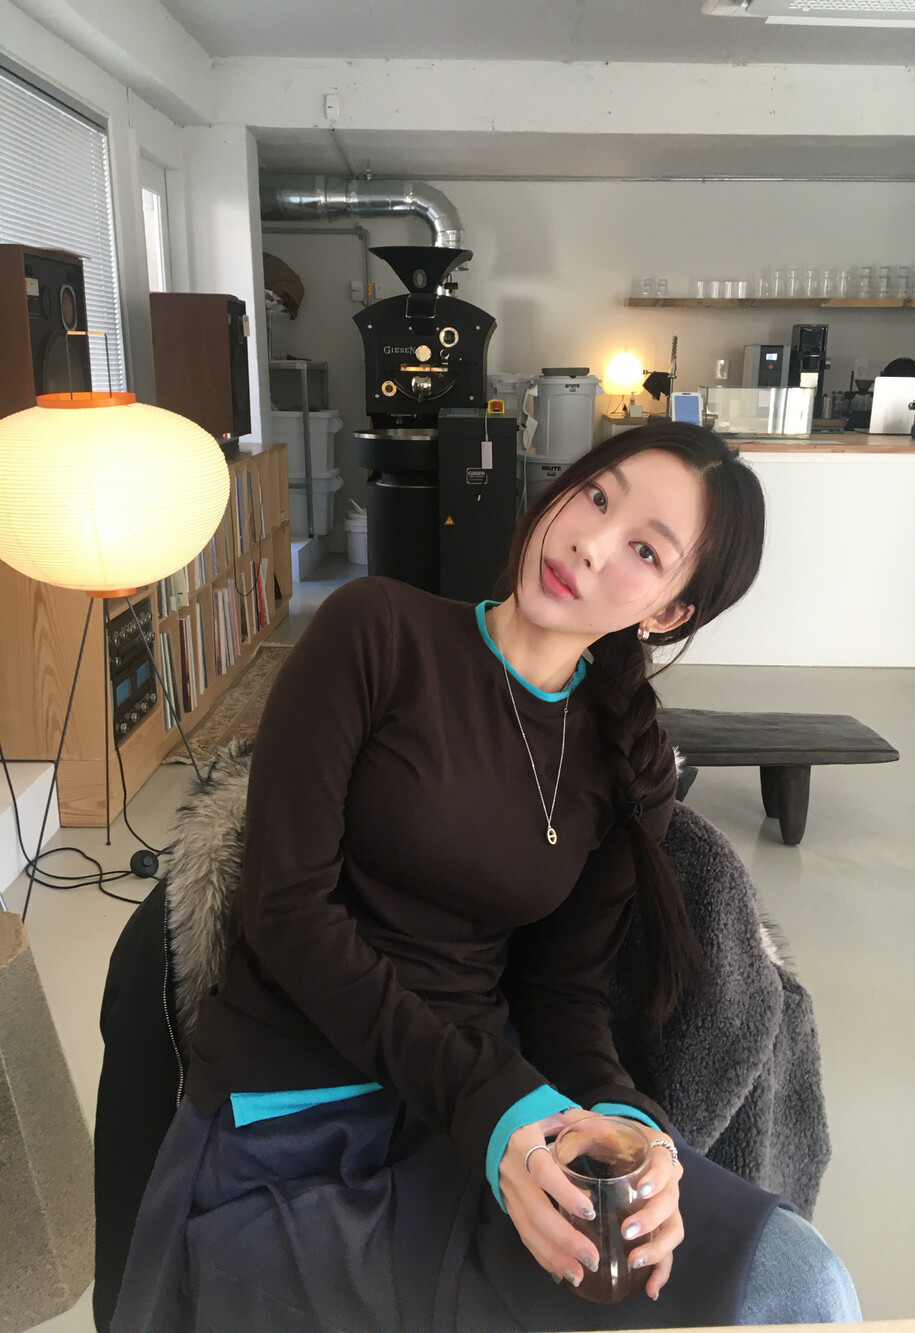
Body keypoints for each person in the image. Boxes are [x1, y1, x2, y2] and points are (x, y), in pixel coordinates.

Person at [112, 421, 861, 1331]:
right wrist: (496, 1107)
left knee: (799, 1280)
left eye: (644, 550)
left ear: (669, 613)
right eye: (596, 496)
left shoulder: (626, 766)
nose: (589, 542)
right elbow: (286, 912)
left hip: (488, 1119)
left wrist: (631, 1124)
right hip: (298, 1119)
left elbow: (563, 1000)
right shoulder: (375, 631)